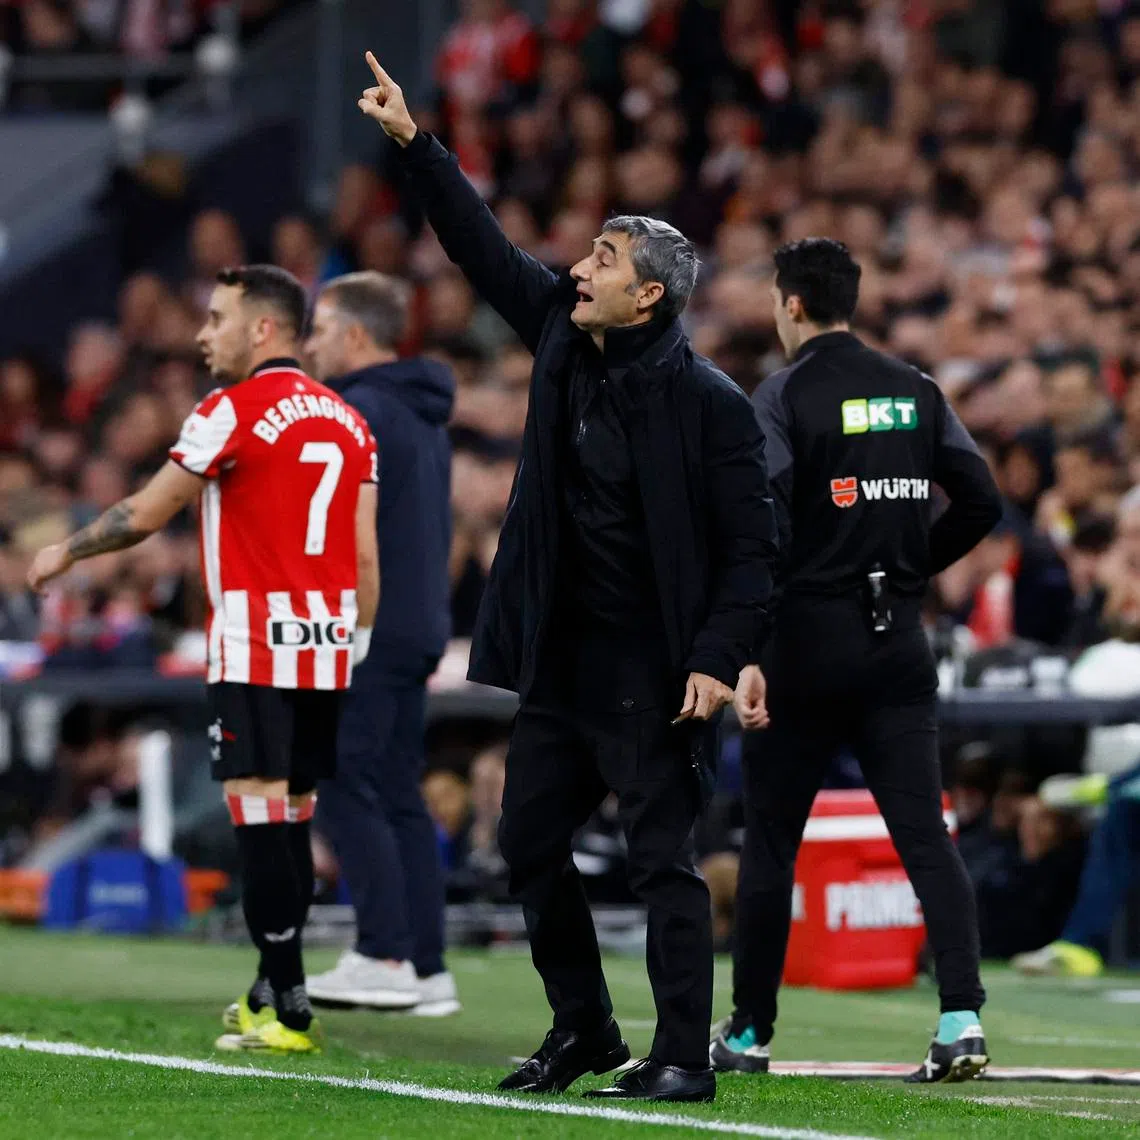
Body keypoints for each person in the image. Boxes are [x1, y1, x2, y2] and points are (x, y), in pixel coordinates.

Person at [359, 52, 776, 1103]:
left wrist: (721, 655)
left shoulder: (713, 404)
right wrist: (417, 143)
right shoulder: (558, 328)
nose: (578, 266)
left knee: (663, 861)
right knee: (528, 842)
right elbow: (480, 247)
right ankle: (584, 1027)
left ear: (647, 298)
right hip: (562, 652)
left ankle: (684, 1052)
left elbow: (754, 547)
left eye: (603, 256)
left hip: (657, 664)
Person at [28, 265, 380, 1055]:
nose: (201, 333)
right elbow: (364, 560)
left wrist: (66, 550)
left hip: (254, 644)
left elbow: (145, 512)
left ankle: (286, 1003)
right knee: (291, 814)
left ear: (263, 329)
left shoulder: (229, 411)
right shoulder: (350, 422)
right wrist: (352, 645)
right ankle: (271, 986)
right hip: (325, 645)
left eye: (217, 317)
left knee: (259, 819)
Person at [709, 239, 1003, 1084]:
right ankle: (960, 1019)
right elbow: (981, 499)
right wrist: (912, 568)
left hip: (803, 642)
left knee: (771, 844)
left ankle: (752, 1032)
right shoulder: (915, 391)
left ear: (791, 304)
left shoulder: (783, 394)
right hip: (895, 642)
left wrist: (752, 651)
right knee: (925, 837)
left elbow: (762, 524)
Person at [302, 270, 460, 1016]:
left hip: (370, 624)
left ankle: (383, 952)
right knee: (397, 793)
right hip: (417, 621)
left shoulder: (358, 411)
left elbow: (342, 532)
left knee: (342, 780)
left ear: (357, 335)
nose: (310, 345)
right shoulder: (418, 412)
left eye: (321, 329)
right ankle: (425, 965)